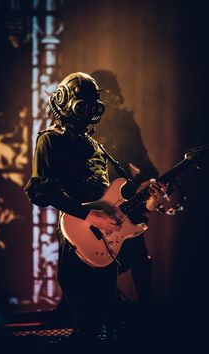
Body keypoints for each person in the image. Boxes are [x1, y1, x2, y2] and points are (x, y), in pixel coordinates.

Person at [24, 72, 165, 342]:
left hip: (105, 243)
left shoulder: (98, 148)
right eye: (81, 105)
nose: (87, 112)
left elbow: (112, 203)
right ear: (64, 101)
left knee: (109, 324)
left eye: (92, 106)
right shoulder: (50, 140)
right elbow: (40, 189)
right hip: (77, 236)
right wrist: (89, 215)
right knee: (86, 325)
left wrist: (149, 202)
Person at [91, 69, 159, 306]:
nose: (105, 100)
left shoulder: (125, 125)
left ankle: (147, 317)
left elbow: (146, 167)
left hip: (125, 207)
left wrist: (152, 189)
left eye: (110, 94)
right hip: (88, 210)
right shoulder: (78, 126)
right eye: (100, 94)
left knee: (139, 258)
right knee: (84, 264)